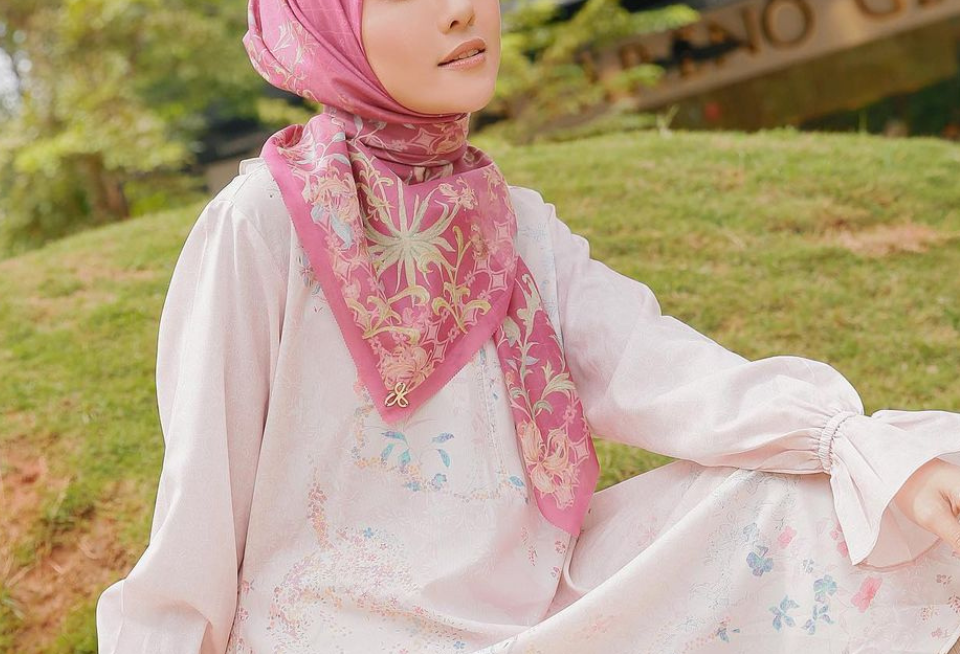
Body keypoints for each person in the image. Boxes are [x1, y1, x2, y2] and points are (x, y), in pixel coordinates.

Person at [95, 0, 960, 652]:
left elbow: (655, 367)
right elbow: (200, 505)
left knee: (858, 490)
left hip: (537, 617)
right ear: (324, 29)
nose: (460, 12)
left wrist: (863, 450)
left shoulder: (514, 224)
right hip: (332, 634)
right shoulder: (262, 223)